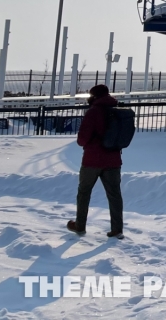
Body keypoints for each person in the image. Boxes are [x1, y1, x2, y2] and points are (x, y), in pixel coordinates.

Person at [67, 84, 124, 238]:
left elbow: (82, 139)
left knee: (84, 192)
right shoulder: (116, 109)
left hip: (92, 159)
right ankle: (117, 229)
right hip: (113, 159)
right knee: (114, 194)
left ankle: (80, 226)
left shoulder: (93, 112)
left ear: (93, 96)